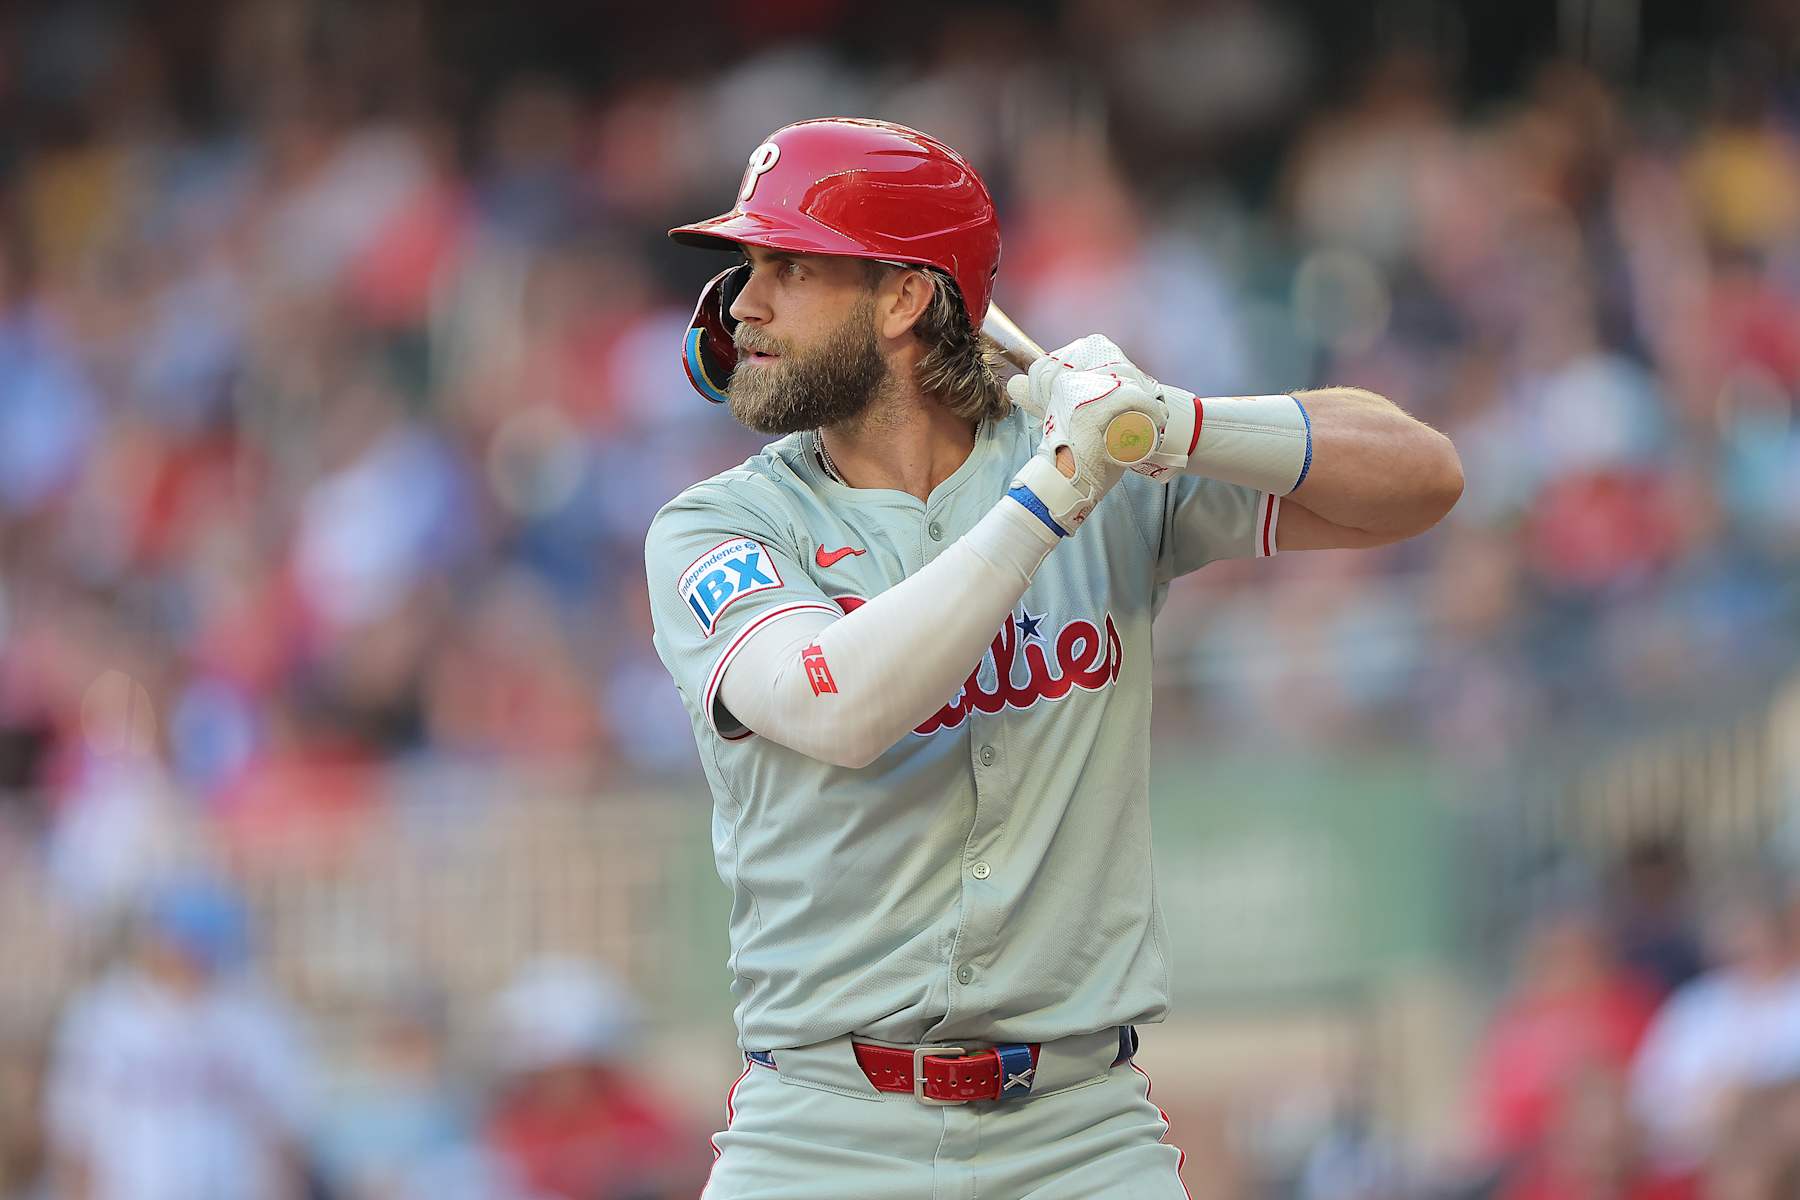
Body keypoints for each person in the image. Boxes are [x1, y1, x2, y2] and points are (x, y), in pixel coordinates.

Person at [646, 117, 1463, 1198]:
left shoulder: (1087, 451)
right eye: (749, 268)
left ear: (902, 299)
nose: (742, 304)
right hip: (821, 1132)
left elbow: (1423, 478)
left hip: (1078, 1132)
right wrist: (1056, 494)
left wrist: (1171, 421)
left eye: (788, 267)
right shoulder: (719, 526)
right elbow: (834, 704)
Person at [42, 875, 314, 1200]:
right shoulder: (102, 1018)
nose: (198, 961)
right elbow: (74, 1138)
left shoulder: (256, 1017)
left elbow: (284, 1137)